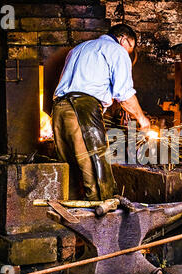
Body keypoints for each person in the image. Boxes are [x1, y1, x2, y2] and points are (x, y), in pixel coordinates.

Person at [52, 24, 150, 201]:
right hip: (82, 109)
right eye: (130, 48)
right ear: (123, 39)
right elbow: (125, 94)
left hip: (59, 109)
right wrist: (143, 121)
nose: (128, 53)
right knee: (96, 167)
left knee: (69, 168)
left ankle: (75, 215)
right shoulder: (117, 51)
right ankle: (103, 215)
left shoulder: (79, 48)